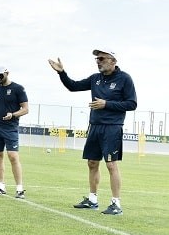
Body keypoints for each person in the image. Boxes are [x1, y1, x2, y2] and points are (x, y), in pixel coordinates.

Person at [48, 49, 137, 216]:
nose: (98, 61)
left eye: (102, 58)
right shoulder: (95, 78)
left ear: (113, 61)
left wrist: (106, 104)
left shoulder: (124, 78)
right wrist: (62, 73)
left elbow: (132, 104)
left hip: (112, 127)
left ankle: (116, 204)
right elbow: (73, 86)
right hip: (95, 126)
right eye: (97, 59)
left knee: (111, 164)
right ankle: (92, 200)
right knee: (92, 163)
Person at [0, 65, 29, 199]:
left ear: (7, 73)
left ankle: (19, 189)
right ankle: (1, 187)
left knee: (13, 156)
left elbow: (25, 109)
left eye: (0, 75)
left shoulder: (18, 88)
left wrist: (13, 115)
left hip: (11, 128)